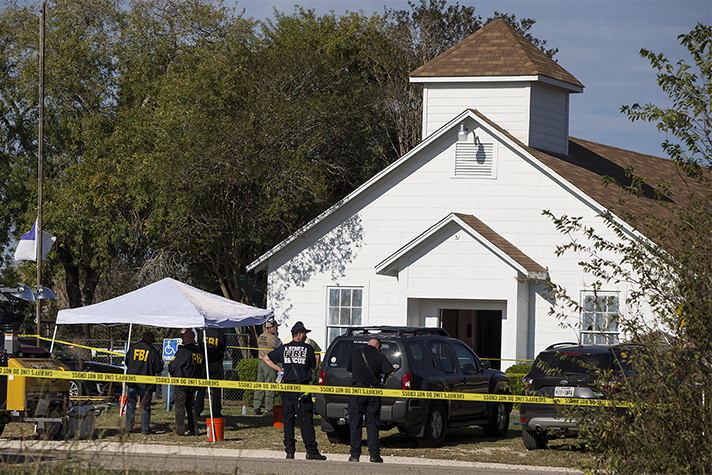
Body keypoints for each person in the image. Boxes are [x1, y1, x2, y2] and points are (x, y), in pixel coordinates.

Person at [264, 322, 326, 461]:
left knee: (288, 419)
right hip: (302, 389)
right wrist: (317, 359)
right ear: (299, 334)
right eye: (304, 333)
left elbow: (266, 358)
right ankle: (311, 451)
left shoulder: (283, 348)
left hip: (287, 389)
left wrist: (280, 370)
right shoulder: (308, 348)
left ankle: (290, 452)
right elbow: (313, 368)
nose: (305, 336)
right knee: (306, 420)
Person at [346, 337, 395, 463]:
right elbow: (391, 372)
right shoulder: (379, 356)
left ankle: (355, 455)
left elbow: (350, 372)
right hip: (373, 391)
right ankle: (374, 454)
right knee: (372, 423)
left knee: (355, 423)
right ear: (378, 346)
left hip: (357, 391)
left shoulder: (356, 353)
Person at [124, 331, 163, 435]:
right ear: (150, 339)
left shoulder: (133, 347)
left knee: (131, 404)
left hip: (132, 380)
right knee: (145, 406)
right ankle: (145, 429)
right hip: (146, 382)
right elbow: (158, 368)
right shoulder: (152, 350)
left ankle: (128, 428)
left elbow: (126, 361)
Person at [168, 328, 205, 436]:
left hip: (182, 382)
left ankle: (180, 431)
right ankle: (194, 430)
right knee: (191, 407)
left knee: (180, 407)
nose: (182, 339)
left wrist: (173, 373)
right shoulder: (199, 351)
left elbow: (173, 365)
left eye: (184, 337)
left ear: (189, 338)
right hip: (193, 382)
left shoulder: (183, 351)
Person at [196, 327, 227, 417]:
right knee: (216, 390)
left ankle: (198, 409)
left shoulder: (202, 334)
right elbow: (223, 349)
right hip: (216, 363)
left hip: (204, 363)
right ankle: (216, 411)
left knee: (201, 388)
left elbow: (199, 346)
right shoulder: (221, 335)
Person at [253, 318, 281, 416]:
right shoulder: (274, 338)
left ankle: (256, 407)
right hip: (270, 363)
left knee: (259, 385)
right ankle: (268, 409)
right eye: (276, 327)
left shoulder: (261, 336)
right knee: (270, 386)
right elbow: (279, 348)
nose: (277, 330)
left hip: (260, 361)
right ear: (270, 328)